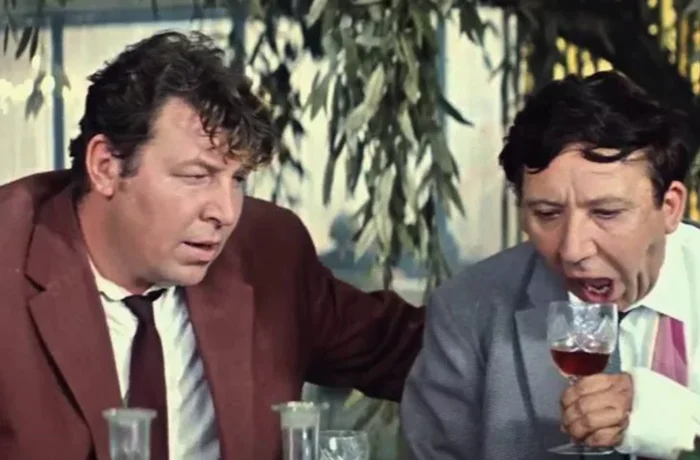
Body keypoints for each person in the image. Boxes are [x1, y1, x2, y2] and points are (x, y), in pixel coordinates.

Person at [0, 31, 424, 460]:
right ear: (106, 167)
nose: (225, 211)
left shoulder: (266, 250)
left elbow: (415, 354)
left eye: (237, 179)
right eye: (196, 176)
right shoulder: (8, 255)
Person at [401, 70, 700, 460]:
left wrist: (673, 419)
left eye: (606, 213)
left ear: (671, 207)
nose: (572, 249)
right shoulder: (467, 311)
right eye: (546, 213)